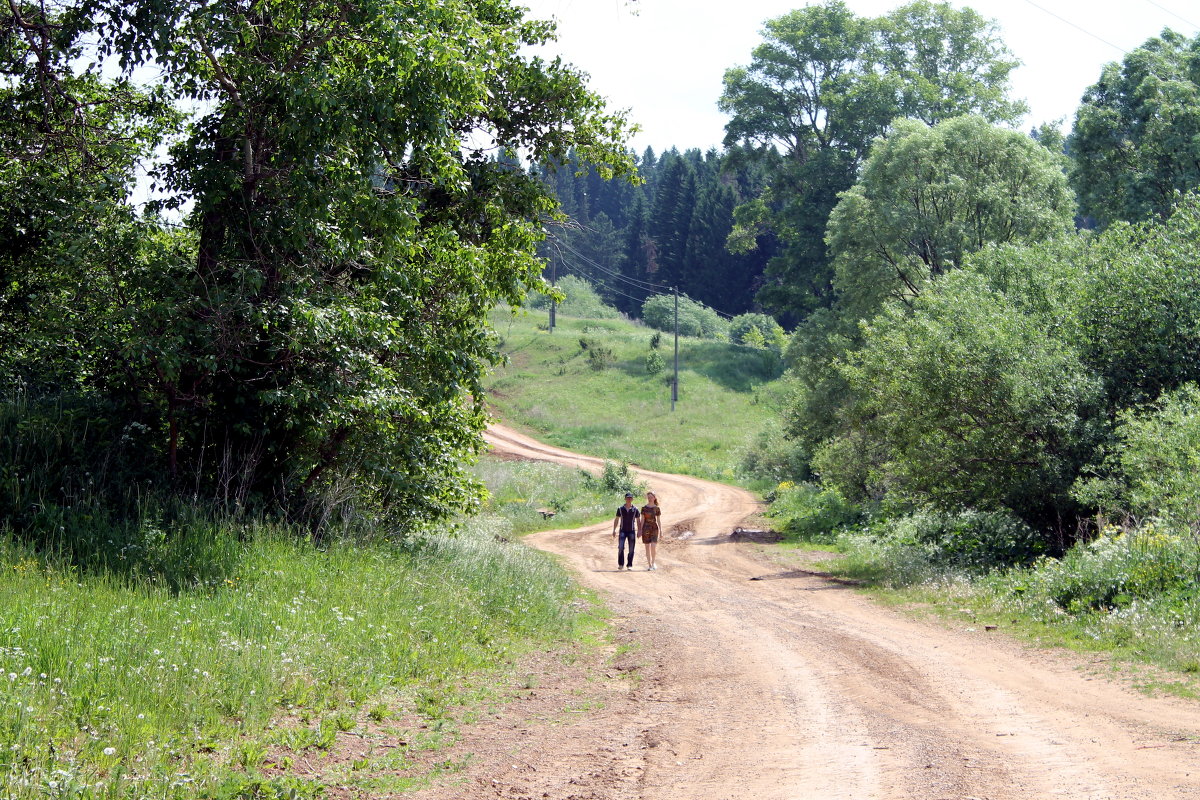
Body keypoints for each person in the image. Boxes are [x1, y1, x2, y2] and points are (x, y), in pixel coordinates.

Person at [612, 491, 640, 571]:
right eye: (627, 498)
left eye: (630, 498)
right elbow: (617, 519)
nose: (629, 499)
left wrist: (639, 530)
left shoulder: (635, 509)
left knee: (631, 549)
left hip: (631, 531)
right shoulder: (620, 509)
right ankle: (621, 564)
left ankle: (629, 564)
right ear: (625, 499)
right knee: (620, 547)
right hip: (622, 531)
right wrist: (614, 530)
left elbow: (638, 520)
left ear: (632, 499)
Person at [639, 491, 662, 570]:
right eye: (648, 497)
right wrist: (640, 530)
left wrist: (661, 530)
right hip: (646, 528)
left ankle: (653, 563)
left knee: (653, 547)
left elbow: (658, 520)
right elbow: (642, 520)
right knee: (647, 547)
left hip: (654, 528)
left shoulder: (657, 508)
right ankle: (649, 564)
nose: (649, 499)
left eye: (651, 497)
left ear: (654, 498)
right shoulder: (644, 508)